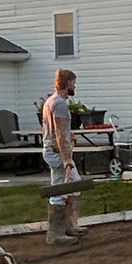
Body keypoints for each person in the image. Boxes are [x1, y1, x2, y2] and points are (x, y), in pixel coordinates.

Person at [40, 66, 84, 245]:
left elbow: (56, 130)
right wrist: (66, 160)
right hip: (57, 153)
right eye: (73, 83)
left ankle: (70, 227)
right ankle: (57, 234)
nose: (75, 86)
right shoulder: (60, 104)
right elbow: (58, 133)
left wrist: (70, 135)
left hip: (54, 150)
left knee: (72, 188)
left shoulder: (51, 101)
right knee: (60, 190)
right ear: (67, 84)